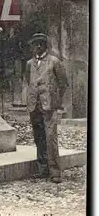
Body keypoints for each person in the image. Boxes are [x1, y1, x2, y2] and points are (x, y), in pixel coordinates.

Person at [25, 33, 69, 183]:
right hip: (34, 106)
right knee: (39, 137)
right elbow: (28, 81)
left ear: (43, 45)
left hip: (49, 106)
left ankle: (55, 172)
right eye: (34, 44)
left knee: (51, 138)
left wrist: (55, 102)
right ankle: (42, 169)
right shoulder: (30, 64)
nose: (36, 47)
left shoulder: (54, 62)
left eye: (38, 44)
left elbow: (63, 83)